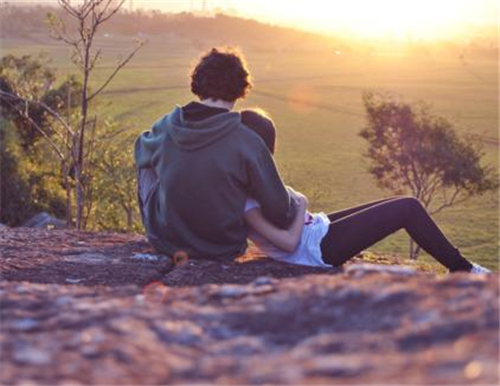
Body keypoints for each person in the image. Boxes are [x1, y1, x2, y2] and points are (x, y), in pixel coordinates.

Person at [240, 110, 492, 274]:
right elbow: (288, 242)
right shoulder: (248, 200)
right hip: (317, 251)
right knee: (408, 207)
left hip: (318, 230)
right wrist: (303, 203)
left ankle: (460, 266)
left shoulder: (257, 180)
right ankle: (463, 269)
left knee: (398, 202)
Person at [133, 47, 297, 259]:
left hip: (167, 243)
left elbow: (140, 152)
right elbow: (280, 211)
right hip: (222, 247)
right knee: (244, 174)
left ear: (198, 82)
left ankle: (166, 225)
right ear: (241, 87)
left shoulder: (165, 127)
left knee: (147, 155)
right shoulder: (247, 140)